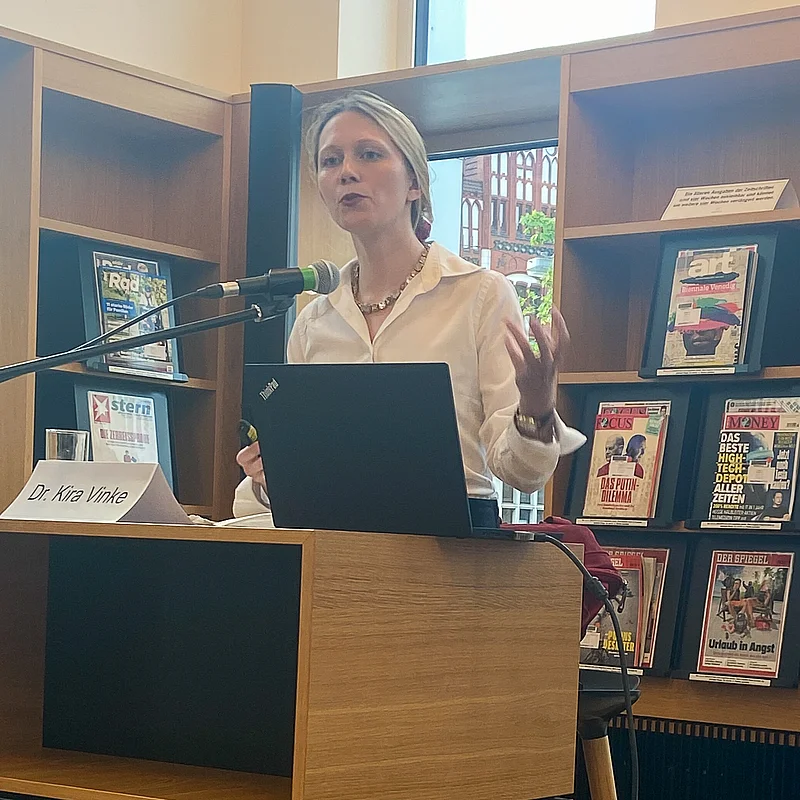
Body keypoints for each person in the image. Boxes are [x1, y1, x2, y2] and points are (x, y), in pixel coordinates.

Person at [233, 90, 586, 522]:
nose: (347, 172)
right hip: (338, 541)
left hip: (454, 540)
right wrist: (270, 476)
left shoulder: (480, 294)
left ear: (414, 183)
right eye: (330, 161)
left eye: (368, 154)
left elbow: (523, 475)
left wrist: (535, 407)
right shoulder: (314, 322)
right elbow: (295, 486)